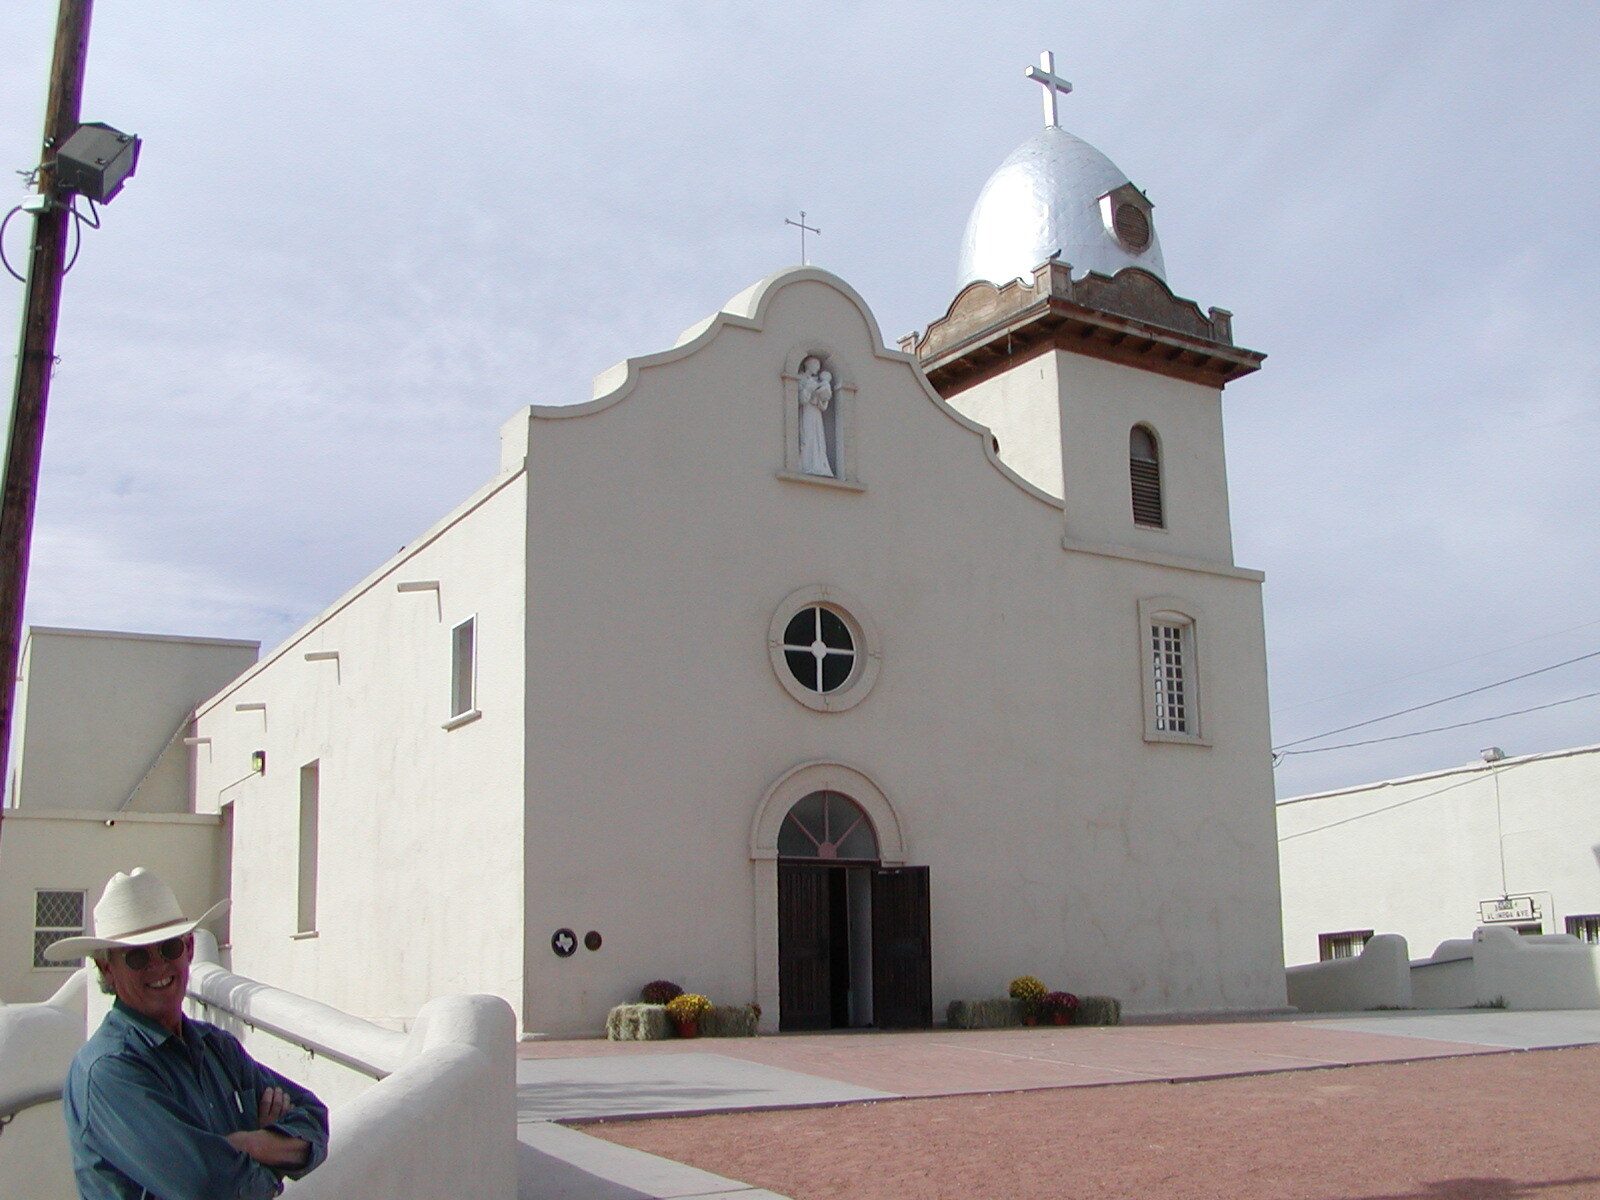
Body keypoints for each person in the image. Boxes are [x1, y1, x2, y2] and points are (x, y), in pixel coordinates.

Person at [47, 868, 329, 1199]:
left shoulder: (217, 1047)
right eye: (137, 957)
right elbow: (207, 1187)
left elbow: (314, 1119)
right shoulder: (108, 1070)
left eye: (168, 948)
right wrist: (272, 1166)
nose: (157, 966)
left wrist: (250, 1143)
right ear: (108, 968)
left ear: (190, 949)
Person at [797, 355, 835, 476]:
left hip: (816, 413)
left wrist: (824, 397)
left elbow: (823, 406)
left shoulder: (818, 381)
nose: (817, 369)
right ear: (809, 365)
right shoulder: (801, 378)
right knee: (807, 437)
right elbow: (802, 399)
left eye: (818, 367)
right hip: (806, 412)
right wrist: (809, 388)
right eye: (815, 366)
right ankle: (807, 464)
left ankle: (820, 466)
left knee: (818, 439)